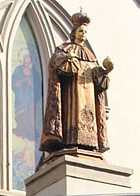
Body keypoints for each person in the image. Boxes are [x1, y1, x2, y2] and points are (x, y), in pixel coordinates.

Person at [40, 11, 113, 154]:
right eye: (81, 31)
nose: (83, 34)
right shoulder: (64, 49)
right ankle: (69, 140)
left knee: (88, 115)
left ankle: (90, 143)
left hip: (88, 96)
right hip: (71, 93)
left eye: (85, 32)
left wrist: (105, 72)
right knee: (71, 114)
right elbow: (58, 67)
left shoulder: (90, 55)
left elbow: (98, 82)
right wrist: (68, 59)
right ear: (74, 33)